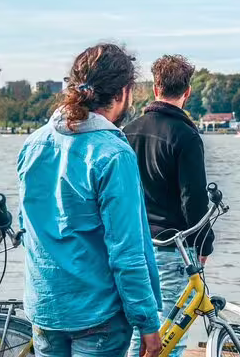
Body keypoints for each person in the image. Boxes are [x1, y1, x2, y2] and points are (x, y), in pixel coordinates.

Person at [17, 43, 162, 357]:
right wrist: (148, 323)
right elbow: (127, 252)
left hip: (45, 308)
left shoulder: (33, 144)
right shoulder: (113, 154)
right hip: (98, 315)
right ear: (123, 92)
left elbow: (24, 226)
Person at [124, 55, 215, 357]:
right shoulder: (186, 136)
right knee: (168, 340)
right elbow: (194, 199)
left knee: (140, 333)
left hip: (135, 247)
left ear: (155, 89)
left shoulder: (128, 132)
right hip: (170, 247)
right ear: (187, 92)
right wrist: (204, 246)